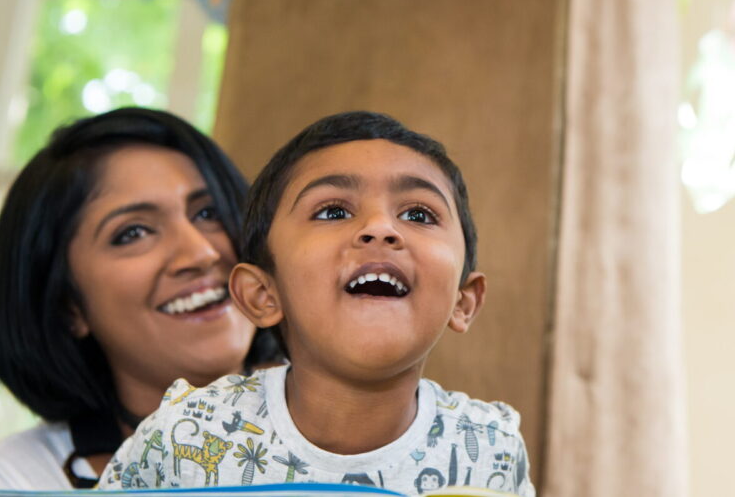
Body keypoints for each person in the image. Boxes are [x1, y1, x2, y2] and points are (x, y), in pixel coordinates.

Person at [98, 111, 535, 495]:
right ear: (262, 295)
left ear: (463, 301)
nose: (381, 228)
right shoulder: (185, 438)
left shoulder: (491, 449)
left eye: (418, 214)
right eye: (333, 211)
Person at [0, 108, 281, 489]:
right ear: (69, 306)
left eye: (207, 212)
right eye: (134, 233)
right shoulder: (13, 481)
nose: (201, 253)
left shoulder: (353, 421)